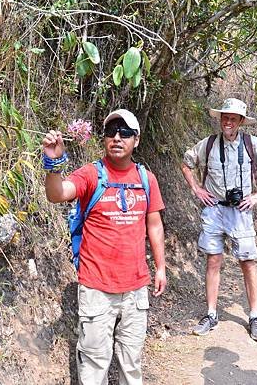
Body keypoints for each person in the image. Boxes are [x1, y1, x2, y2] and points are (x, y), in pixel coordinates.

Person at [42, 109, 167, 385]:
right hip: (96, 289)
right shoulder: (90, 175)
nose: (117, 137)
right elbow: (57, 194)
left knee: (131, 365)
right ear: (103, 139)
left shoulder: (147, 180)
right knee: (94, 366)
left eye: (125, 132)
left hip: (135, 290)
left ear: (136, 139)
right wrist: (53, 164)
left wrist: (160, 268)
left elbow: (154, 225)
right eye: (111, 132)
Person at [181, 98, 257, 341]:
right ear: (220, 118)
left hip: (242, 211)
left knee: (248, 262)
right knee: (213, 260)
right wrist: (197, 190)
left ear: (241, 122)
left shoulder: (251, 144)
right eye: (225, 117)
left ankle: (255, 316)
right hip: (214, 210)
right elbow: (186, 163)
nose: (228, 122)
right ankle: (211, 314)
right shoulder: (209, 144)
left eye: (233, 118)